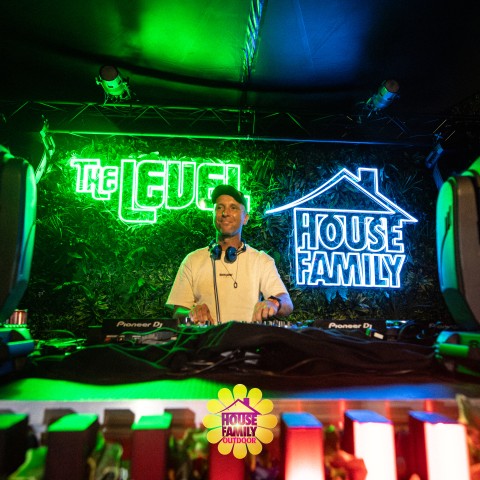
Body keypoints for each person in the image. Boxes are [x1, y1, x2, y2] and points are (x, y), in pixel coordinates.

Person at [166, 184, 293, 324]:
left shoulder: (261, 260)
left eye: (233, 208)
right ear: (213, 215)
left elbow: (286, 302)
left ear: (245, 218)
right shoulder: (192, 260)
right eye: (219, 207)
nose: (225, 213)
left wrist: (273, 303)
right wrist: (191, 313)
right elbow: (178, 312)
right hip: (207, 338)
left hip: (248, 337)